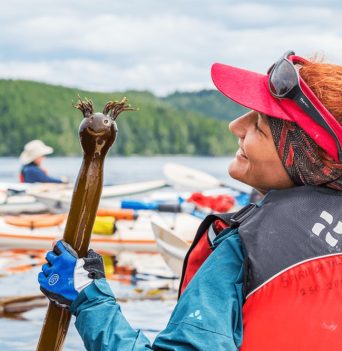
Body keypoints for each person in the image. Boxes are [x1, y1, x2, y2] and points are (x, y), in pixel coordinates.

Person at [38, 51, 342, 350]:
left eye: (259, 126)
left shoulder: (245, 250)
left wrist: (87, 296)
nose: (235, 126)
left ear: (308, 158)